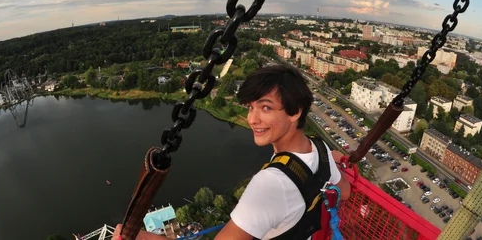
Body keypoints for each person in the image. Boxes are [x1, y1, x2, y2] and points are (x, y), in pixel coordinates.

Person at [115, 63, 351, 240]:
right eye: (250, 107)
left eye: (266, 108)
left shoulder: (271, 183)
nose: (252, 119)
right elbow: (344, 191)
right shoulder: (319, 148)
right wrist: (329, 165)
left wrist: (147, 238)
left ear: (295, 112)